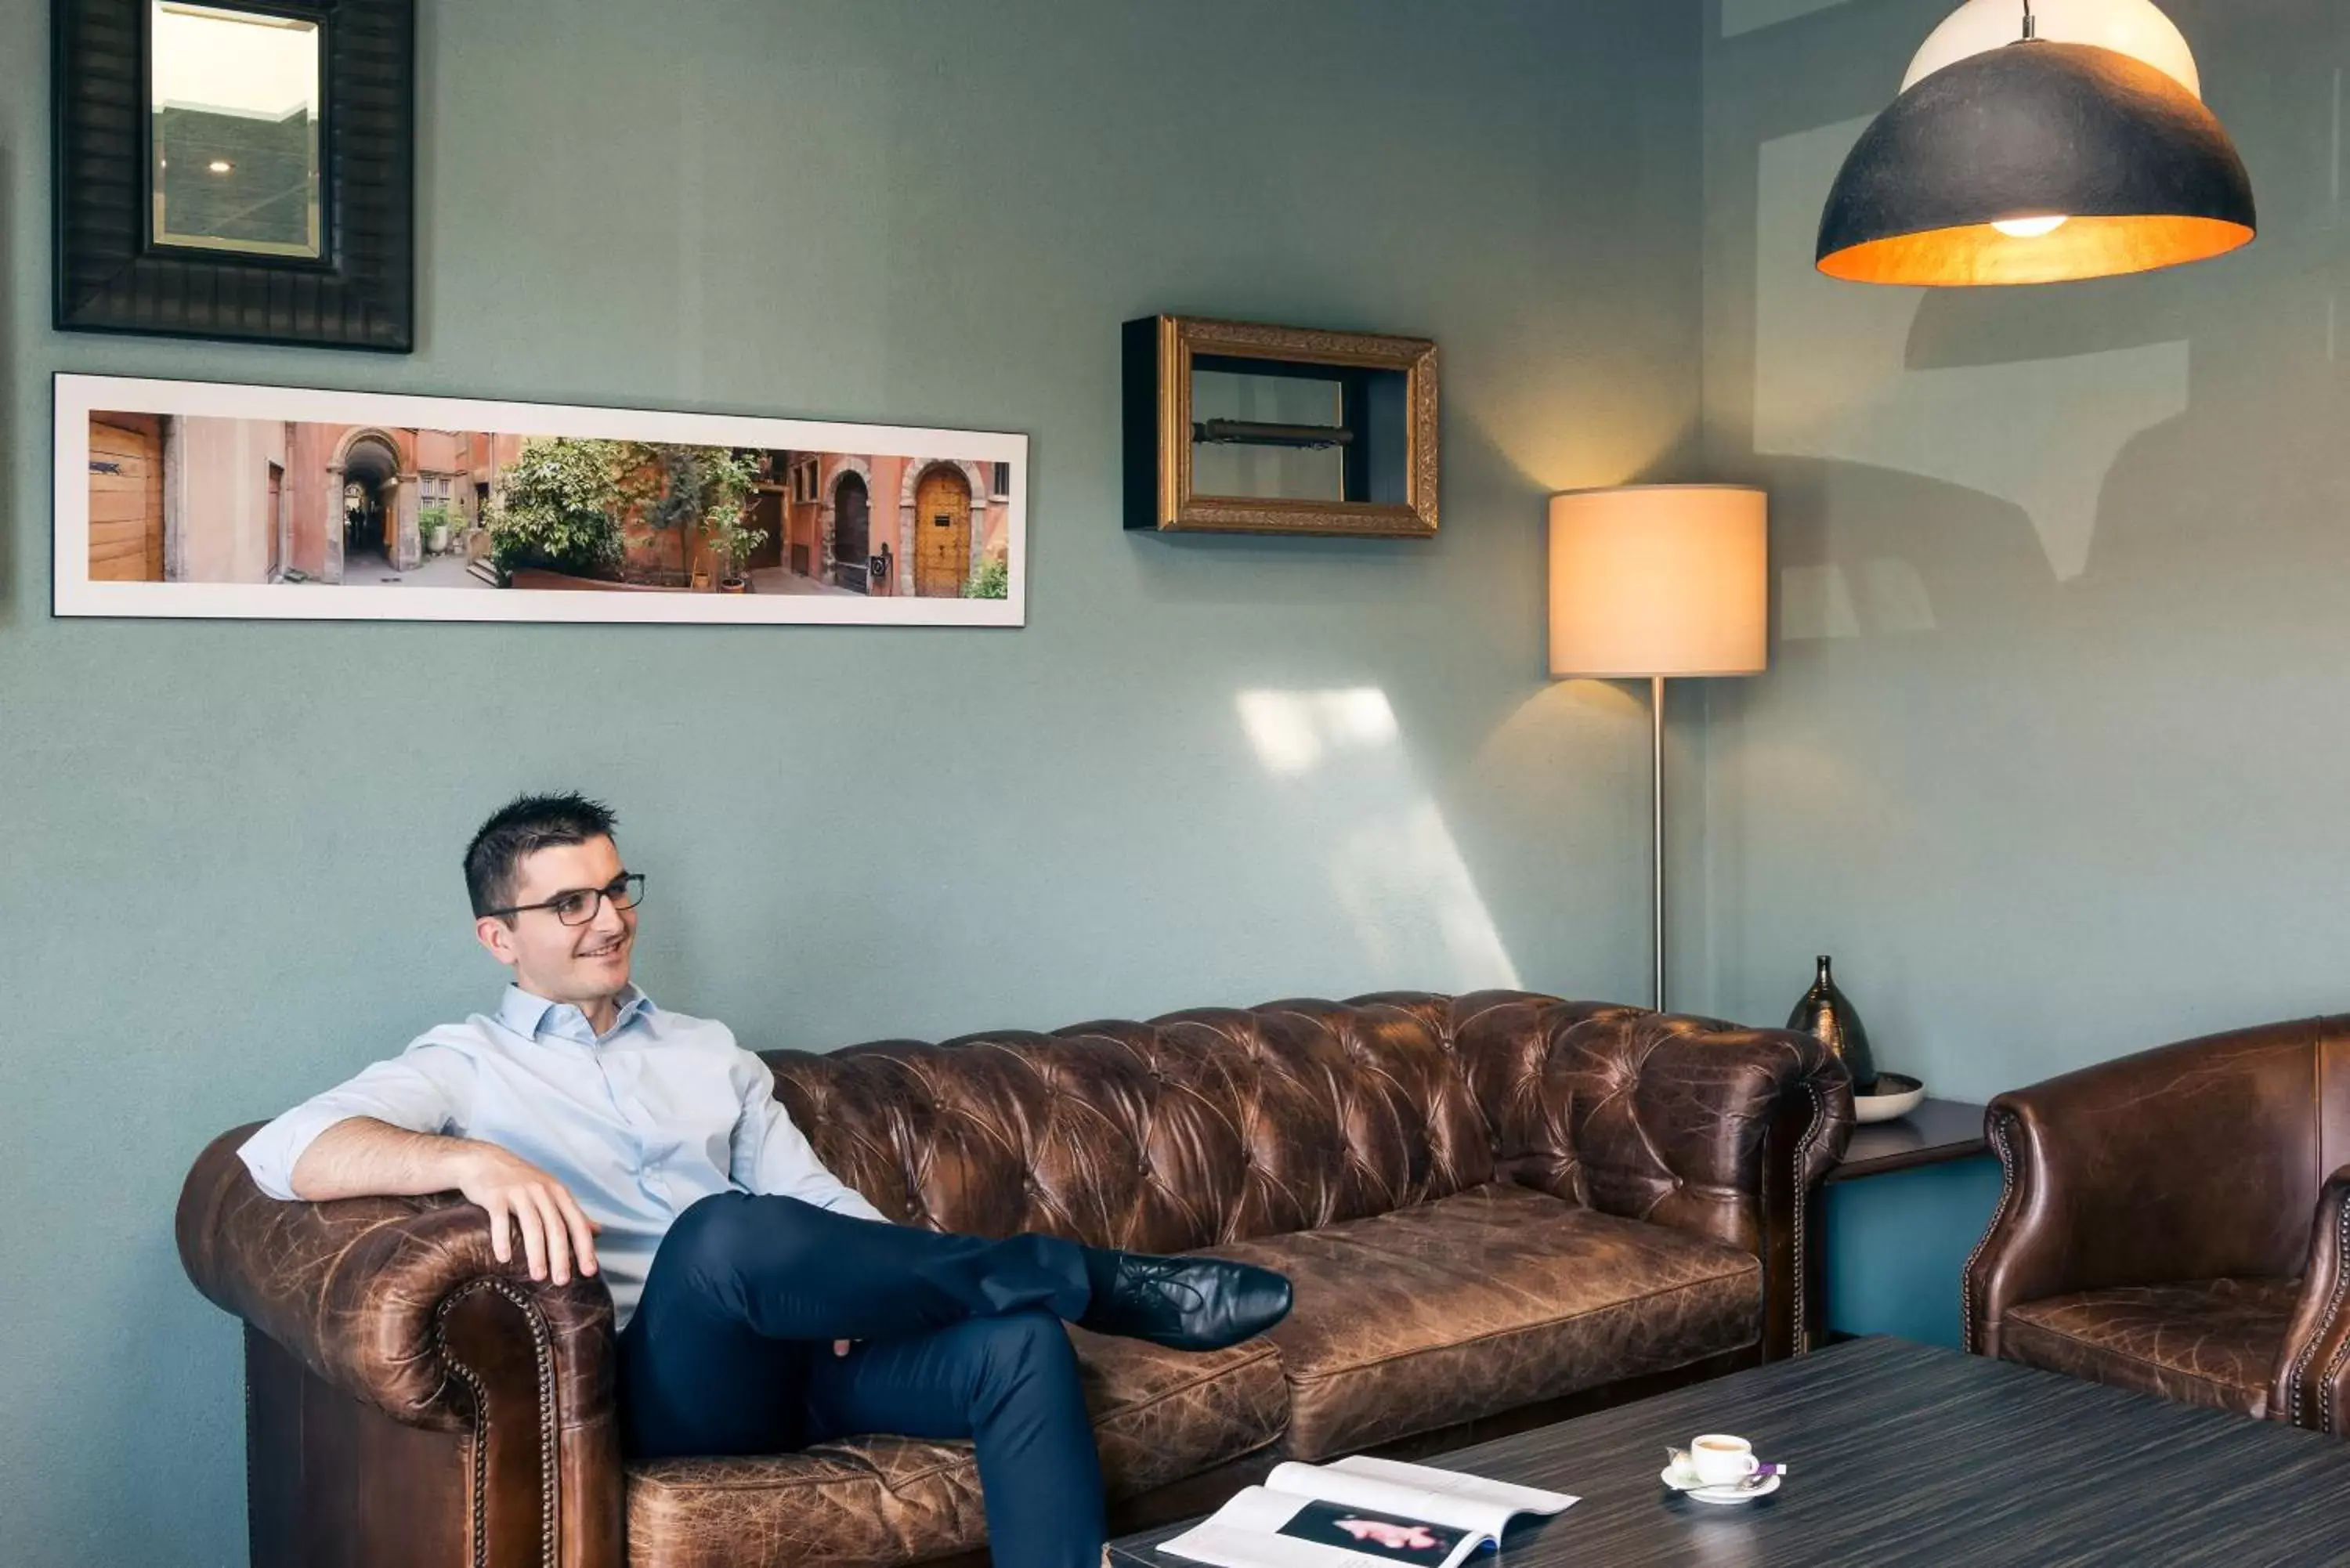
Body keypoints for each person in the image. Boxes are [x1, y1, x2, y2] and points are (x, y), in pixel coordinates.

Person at [238, 793, 1292, 1568]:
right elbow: (280, 1150)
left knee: (1016, 1344)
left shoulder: (709, 1050)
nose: (608, 919)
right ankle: (1098, 1279)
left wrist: (866, 1287)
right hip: (671, 1384)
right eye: (570, 903)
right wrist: (468, 1156)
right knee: (718, 1235)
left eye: (615, 888)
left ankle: (1060, 1331)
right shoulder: (465, 1063)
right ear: (499, 936)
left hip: (813, 1358)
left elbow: (821, 1198)